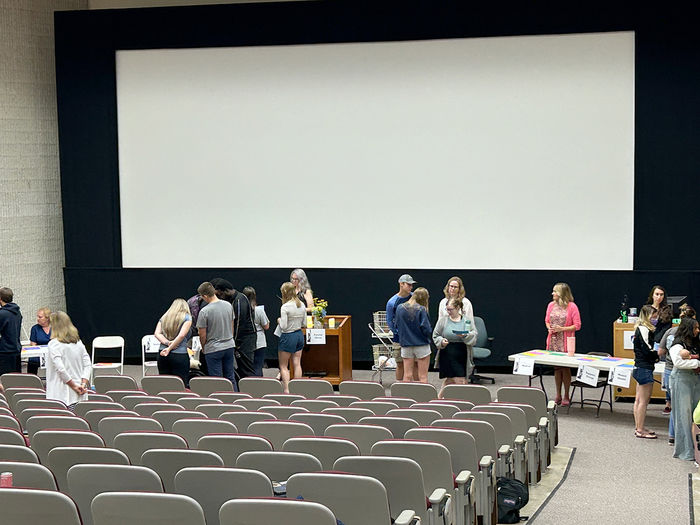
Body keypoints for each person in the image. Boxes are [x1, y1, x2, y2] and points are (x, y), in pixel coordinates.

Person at [659, 304, 696, 443]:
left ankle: (672, 436)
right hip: (683, 373)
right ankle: (683, 437)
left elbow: (660, 351)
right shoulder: (687, 335)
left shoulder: (670, 332)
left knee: (675, 405)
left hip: (669, 371)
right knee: (684, 406)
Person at [210, 278, 257, 380]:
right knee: (242, 368)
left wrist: (232, 343)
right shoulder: (234, 300)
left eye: (219, 295)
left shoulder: (240, 301)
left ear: (226, 291)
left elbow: (239, 324)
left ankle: (253, 391)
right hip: (240, 339)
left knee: (246, 368)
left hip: (245, 339)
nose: (219, 298)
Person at [544, 282, 582, 406]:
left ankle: (566, 395)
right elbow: (547, 321)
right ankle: (558, 394)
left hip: (566, 342)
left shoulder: (572, 307)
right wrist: (549, 328)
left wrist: (562, 329)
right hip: (553, 341)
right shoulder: (551, 305)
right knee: (557, 368)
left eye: (555, 291)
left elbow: (577, 325)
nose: (552, 293)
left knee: (565, 368)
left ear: (561, 293)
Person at [669, 317, 700, 458]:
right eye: (695, 328)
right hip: (681, 380)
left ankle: (696, 449)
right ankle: (686, 452)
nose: (698, 330)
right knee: (683, 416)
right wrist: (697, 363)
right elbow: (678, 362)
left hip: (694, 380)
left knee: (695, 416)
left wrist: (692, 359)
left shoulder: (694, 343)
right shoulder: (677, 344)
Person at [45, 311, 91, 407]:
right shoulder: (78, 342)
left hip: (60, 395)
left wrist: (74, 386)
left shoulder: (54, 344)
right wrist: (83, 384)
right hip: (80, 393)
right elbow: (87, 365)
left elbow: (61, 369)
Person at [196, 281, 237, 389]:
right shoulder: (228, 305)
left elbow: (202, 334)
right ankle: (235, 400)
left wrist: (204, 347)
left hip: (213, 349)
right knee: (230, 377)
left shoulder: (204, 311)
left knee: (217, 380)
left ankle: (219, 403)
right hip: (229, 346)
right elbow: (231, 326)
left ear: (205, 296)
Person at [433, 298, 477, 397]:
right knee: (456, 379)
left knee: (456, 379)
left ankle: (439, 398)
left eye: (451, 309)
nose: (448, 312)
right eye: (447, 309)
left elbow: (474, 334)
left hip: (462, 352)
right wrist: (441, 341)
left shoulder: (466, 320)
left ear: (457, 308)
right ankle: (461, 399)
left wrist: (466, 336)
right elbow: (435, 335)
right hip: (447, 352)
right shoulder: (443, 320)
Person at [438, 277, 476, 379]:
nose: (452, 289)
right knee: (449, 377)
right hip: (447, 342)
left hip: (462, 342)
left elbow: (469, 321)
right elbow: (440, 322)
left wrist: (466, 334)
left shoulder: (466, 302)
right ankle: (442, 395)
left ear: (460, 289)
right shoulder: (443, 302)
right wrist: (441, 339)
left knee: (462, 376)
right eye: (451, 286)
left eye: (455, 287)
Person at [395, 287, 432, 383]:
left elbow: (396, 326)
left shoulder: (399, 308)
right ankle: (423, 397)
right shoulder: (422, 309)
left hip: (406, 345)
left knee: (407, 376)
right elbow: (426, 329)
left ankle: (406, 396)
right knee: (423, 376)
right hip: (421, 345)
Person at [386, 274, 419, 381]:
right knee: (400, 363)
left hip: (414, 337)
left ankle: (419, 387)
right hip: (399, 338)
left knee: (415, 363)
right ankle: (399, 386)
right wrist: (398, 332)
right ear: (401, 284)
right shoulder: (392, 302)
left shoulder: (415, 298)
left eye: (411, 285)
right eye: (408, 285)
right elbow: (390, 320)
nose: (411, 287)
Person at [632, 305, 659, 439]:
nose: (656, 318)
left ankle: (639, 426)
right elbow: (648, 350)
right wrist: (657, 356)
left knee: (638, 400)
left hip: (640, 367)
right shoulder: (643, 329)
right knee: (643, 401)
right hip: (644, 368)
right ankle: (640, 430)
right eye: (653, 316)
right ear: (647, 316)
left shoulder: (640, 328)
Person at [154, 298, 192, 386]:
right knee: (181, 383)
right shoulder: (187, 317)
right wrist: (171, 347)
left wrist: (167, 343)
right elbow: (181, 335)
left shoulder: (164, 317)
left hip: (162, 353)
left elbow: (157, 333)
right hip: (180, 354)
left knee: (165, 383)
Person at [278, 282, 306, 393]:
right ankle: (297, 388)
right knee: (297, 363)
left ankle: (287, 389)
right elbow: (304, 323)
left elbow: (283, 326)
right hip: (299, 335)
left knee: (284, 366)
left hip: (288, 336)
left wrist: (279, 320)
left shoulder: (285, 307)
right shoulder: (301, 305)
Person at [243, 286, 269, 377]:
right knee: (258, 366)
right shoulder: (259, 310)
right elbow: (266, 326)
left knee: (247, 366)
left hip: (245, 340)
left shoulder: (242, 310)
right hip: (260, 341)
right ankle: (258, 387)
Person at [0, 287, 23, 376]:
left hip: (5, 352)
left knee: (5, 381)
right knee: (16, 380)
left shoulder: (2, 314)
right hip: (16, 350)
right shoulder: (17, 312)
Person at [28, 307, 52, 375]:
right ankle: (31, 380)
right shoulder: (35, 328)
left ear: (47, 318)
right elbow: (33, 345)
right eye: (37, 316)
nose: (37, 319)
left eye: (40, 317)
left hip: (52, 353)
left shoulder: (55, 327)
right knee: (32, 360)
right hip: (39, 354)